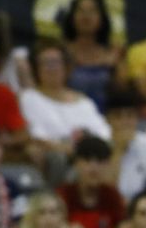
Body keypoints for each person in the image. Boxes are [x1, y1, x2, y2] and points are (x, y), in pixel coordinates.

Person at [20, 39, 110, 169]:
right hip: (58, 159)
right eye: (46, 63)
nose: (52, 68)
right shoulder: (28, 98)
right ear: (35, 68)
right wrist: (70, 150)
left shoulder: (84, 101)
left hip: (91, 157)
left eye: (57, 62)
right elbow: (35, 137)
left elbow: (103, 133)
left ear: (66, 66)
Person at [60, 0, 124, 111]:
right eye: (81, 11)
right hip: (69, 114)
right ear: (72, 17)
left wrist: (115, 68)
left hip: (106, 117)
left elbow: (122, 95)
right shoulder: (61, 52)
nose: (86, 16)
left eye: (92, 11)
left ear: (102, 18)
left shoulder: (113, 52)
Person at [59, 135, 124, 228]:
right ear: (76, 164)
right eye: (87, 160)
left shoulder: (112, 196)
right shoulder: (62, 195)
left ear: (108, 165)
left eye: (100, 161)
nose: (94, 167)